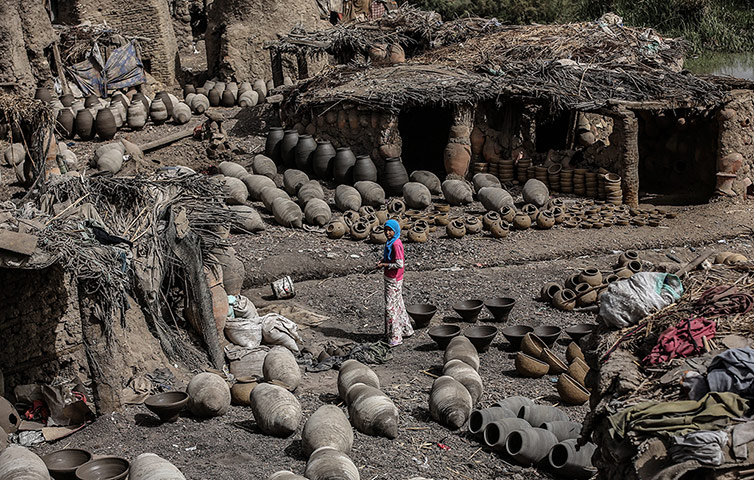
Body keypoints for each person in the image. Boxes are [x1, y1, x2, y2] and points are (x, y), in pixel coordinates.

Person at [376, 219, 413, 347]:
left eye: (390, 230)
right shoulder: (390, 242)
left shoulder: (396, 244)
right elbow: (391, 258)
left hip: (393, 279)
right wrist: (383, 262)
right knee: (398, 303)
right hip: (391, 278)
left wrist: (385, 265)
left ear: (396, 230)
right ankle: (406, 329)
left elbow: (399, 263)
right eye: (386, 230)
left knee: (390, 308)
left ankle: (395, 337)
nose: (387, 233)